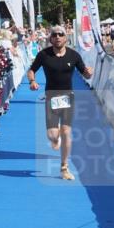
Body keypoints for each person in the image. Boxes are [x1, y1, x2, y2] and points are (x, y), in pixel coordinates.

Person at [27, 25, 93, 180]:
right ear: (50, 39)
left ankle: (64, 168)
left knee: (66, 132)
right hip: (51, 96)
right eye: (54, 35)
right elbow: (31, 70)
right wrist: (32, 81)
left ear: (66, 38)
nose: (57, 37)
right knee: (52, 135)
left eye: (60, 34)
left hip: (68, 96)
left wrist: (89, 73)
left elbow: (86, 74)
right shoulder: (44, 55)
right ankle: (56, 138)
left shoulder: (74, 56)